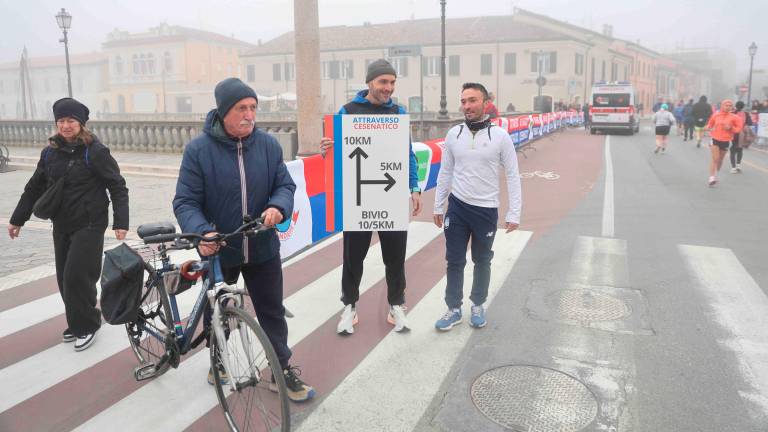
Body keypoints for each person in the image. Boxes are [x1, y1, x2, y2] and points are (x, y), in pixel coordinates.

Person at [173, 77, 315, 402]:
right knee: (218, 309)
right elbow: (185, 201)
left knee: (272, 311)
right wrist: (202, 232)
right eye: (241, 108)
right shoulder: (198, 151)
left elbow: (285, 185)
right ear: (224, 112)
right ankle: (219, 360)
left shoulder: (267, 145)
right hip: (220, 248)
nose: (249, 114)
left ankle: (282, 370)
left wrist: (278, 207)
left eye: (253, 107)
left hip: (262, 245)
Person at [8, 98, 129, 351]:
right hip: (62, 223)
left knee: (77, 276)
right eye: (61, 121)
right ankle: (78, 320)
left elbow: (117, 185)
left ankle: (86, 325)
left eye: (70, 121)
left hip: (90, 223)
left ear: (81, 124)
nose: (65, 125)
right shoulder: (50, 152)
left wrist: (121, 221)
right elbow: (34, 187)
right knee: (64, 277)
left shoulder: (94, 151)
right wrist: (17, 219)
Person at [319, 59, 422, 335]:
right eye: (382, 82)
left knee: (395, 257)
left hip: (391, 196)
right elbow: (333, 155)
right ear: (370, 83)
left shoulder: (399, 113)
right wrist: (327, 148)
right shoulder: (347, 111)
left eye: (392, 82)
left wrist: (414, 187)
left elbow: (408, 154)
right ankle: (349, 307)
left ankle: (396, 305)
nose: (388, 88)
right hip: (358, 198)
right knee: (353, 258)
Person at [432, 82, 521, 331]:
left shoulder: (500, 137)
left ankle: (478, 305)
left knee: (482, 260)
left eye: (472, 100)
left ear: (485, 103)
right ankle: (453, 308)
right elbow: (446, 171)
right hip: (457, 207)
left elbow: (513, 175)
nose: (467, 106)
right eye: (463, 101)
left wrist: (514, 212)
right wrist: (439, 205)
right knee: (454, 260)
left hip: (486, 209)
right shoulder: (454, 134)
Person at [705, 99, 743, 186]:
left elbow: (738, 129)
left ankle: (715, 174)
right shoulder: (716, 115)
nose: (728, 107)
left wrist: (731, 128)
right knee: (715, 158)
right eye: (726, 105)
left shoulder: (735, 117)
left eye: (730, 106)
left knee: (720, 160)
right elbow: (710, 125)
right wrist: (707, 128)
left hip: (726, 140)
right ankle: (711, 177)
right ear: (722, 106)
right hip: (715, 139)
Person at [730, 100, 753, 173]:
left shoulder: (732, 113)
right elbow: (750, 123)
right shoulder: (746, 114)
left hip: (733, 133)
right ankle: (738, 165)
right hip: (742, 134)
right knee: (740, 149)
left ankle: (733, 168)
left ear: (736, 106)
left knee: (733, 149)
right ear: (743, 106)